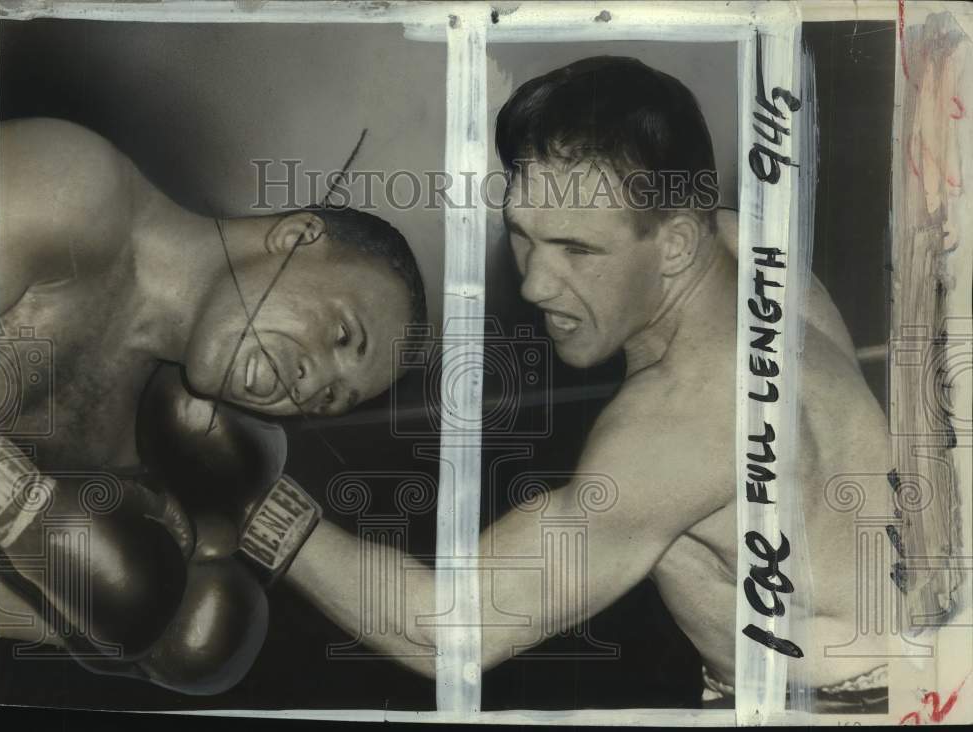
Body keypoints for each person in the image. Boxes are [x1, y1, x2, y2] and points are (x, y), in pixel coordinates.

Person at [283, 57, 890, 711]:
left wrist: (260, 512)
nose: (535, 283)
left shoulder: (677, 428)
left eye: (578, 250)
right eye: (524, 236)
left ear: (677, 243)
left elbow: (446, 634)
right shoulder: (752, 246)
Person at [0, 117, 427, 693]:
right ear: (295, 237)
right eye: (342, 334)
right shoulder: (72, 186)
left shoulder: (136, 450)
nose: (309, 380)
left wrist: (97, 629)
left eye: (327, 399)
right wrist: (13, 498)